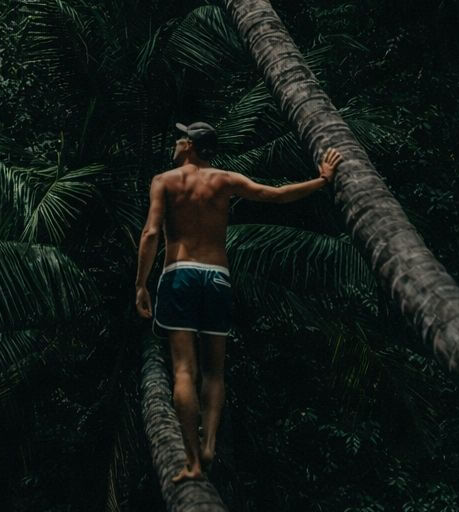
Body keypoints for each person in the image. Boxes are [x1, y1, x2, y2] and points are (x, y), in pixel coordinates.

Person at [134, 121, 342, 483]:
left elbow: (151, 232)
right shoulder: (226, 179)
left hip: (179, 274)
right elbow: (276, 195)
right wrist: (322, 180)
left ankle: (192, 461)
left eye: (180, 138)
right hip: (217, 276)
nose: (175, 142)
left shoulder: (164, 181)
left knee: (184, 371)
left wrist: (140, 284)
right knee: (215, 371)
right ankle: (209, 444)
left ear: (190, 145)